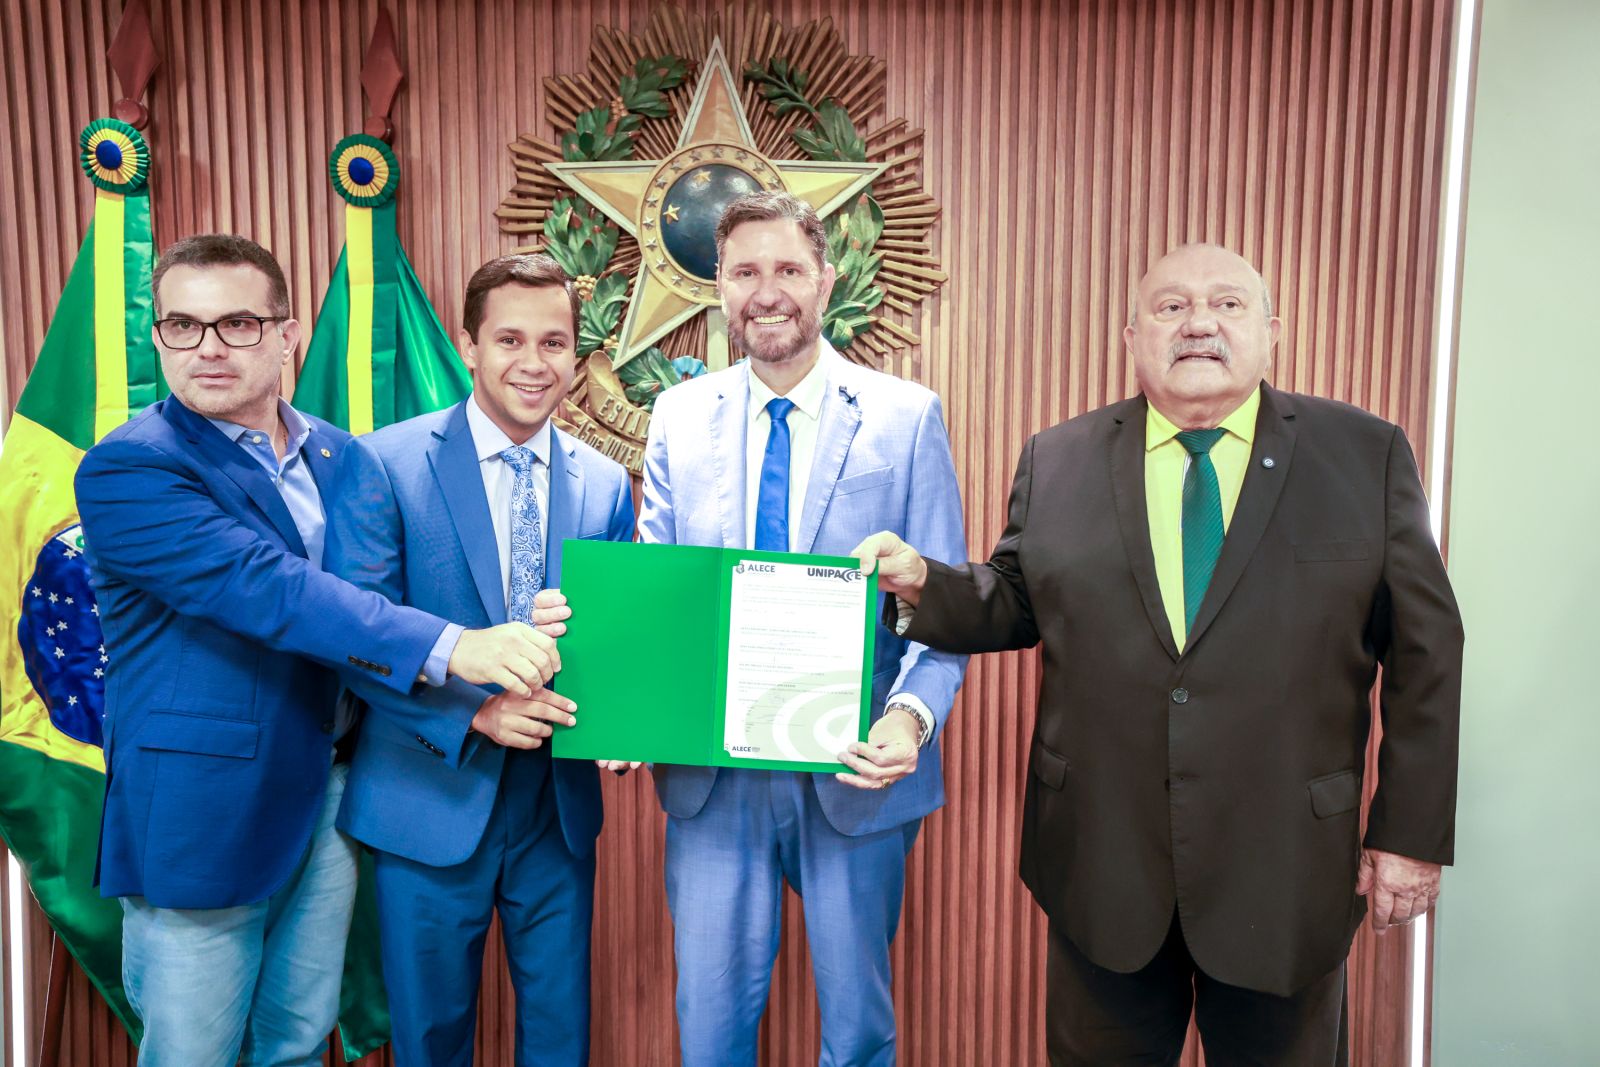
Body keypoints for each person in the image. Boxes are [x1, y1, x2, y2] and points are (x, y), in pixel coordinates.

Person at [854, 242, 1464, 1065]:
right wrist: (923, 581)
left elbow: (1428, 648)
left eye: (1228, 304)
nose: (1199, 323)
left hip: (1284, 874)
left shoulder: (1365, 454)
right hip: (1103, 869)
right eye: (1171, 307)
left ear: (1272, 330)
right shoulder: (1058, 456)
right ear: (1133, 335)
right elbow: (1017, 598)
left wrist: (1411, 836)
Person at [75, 234, 559, 1066]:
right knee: (191, 1051)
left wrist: (522, 635)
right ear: (157, 337)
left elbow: (369, 613)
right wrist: (460, 647)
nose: (208, 347)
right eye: (182, 327)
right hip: (202, 812)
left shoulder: (339, 457)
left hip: (329, 797)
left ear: (288, 334)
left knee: (298, 1044)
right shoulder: (131, 467)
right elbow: (272, 591)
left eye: (236, 323)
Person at [635, 191, 968, 1066]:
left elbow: (945, 607)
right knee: (708, 1030)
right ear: (719, 286)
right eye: (745, 271)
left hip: (856, 770)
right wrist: (630, 704)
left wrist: (910, 718)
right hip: (712, 780)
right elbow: (660, 591)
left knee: (858, 1030)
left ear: (826, 279)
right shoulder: (678, 416)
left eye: (788, 269)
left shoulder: (906, 416)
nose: (767, 290)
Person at [323, 253, 635, 1067]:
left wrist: (629, 715)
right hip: (427, 794)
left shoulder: (605, 483)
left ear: (578, 354)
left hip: (556, 811)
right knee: (430, 1040)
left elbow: (608, 641)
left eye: (555, 342)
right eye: (509, 339)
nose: (534, 364)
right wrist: (477, 710)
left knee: (562, 1037)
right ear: (467, 344)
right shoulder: (383, 461)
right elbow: (356, 635)